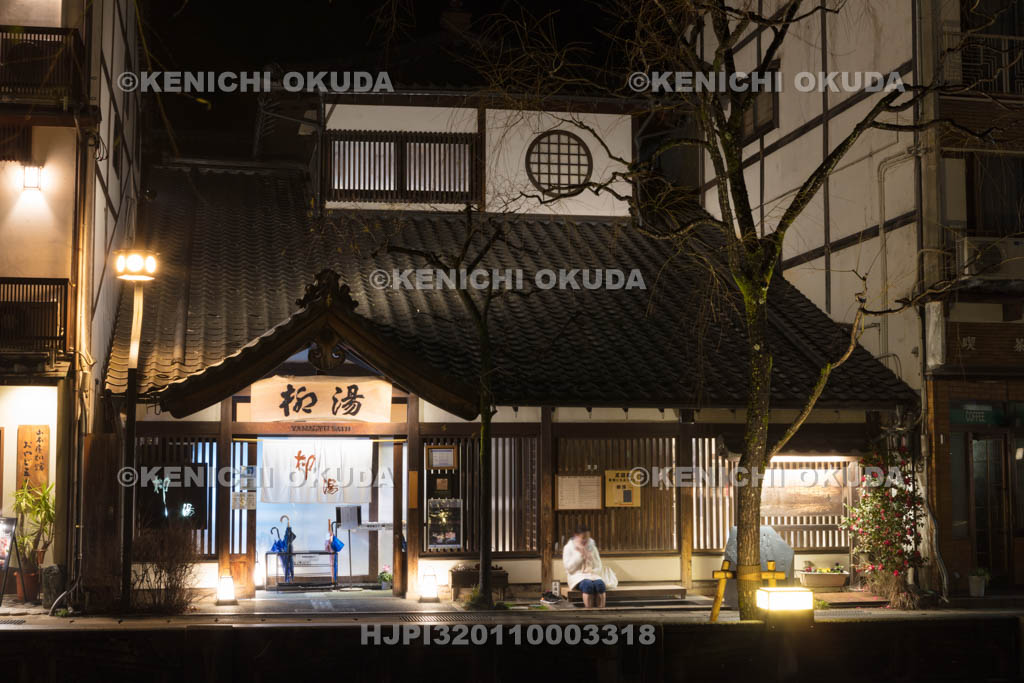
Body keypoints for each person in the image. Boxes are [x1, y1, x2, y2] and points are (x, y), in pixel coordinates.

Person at [562, 524, 606, 608]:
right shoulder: (568, 548)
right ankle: (588, 611)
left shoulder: (592, 547)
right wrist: (580, 556)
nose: (586, 540)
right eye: (583, 537)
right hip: (577, 576)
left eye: (587, 537)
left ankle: (602, 611)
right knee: (588, 585)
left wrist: (593, 568)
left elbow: (599, 564)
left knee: (600, 585)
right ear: (576, 536)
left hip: (593, 575)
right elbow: (569, 568)